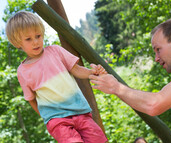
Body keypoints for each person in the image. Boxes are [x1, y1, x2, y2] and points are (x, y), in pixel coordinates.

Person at [5, 11, 108, 143]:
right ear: (17, 42)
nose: (36, 42)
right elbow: (31, 99)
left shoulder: (55, 51)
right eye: (28, 39)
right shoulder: (23, 71)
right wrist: (48, 117)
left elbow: (76, 70)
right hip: (58, 120)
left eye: (38, 36)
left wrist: (92, 72)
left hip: (81, 111)